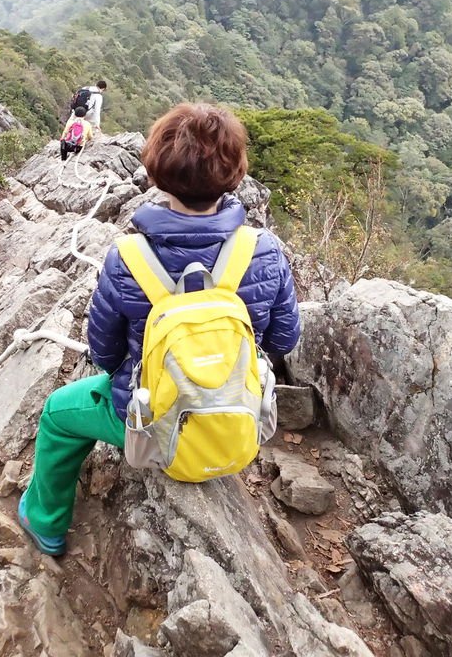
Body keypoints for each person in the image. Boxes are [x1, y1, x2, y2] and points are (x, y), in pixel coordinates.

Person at [17, 102, 301, 556]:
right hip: (237, 427)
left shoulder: (128, 257)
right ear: (236, 174)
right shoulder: (263, 250)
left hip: (155, 432)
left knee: (57, 414)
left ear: (155, 173)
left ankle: (45, 522)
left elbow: (105, 353)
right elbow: (284, 340)